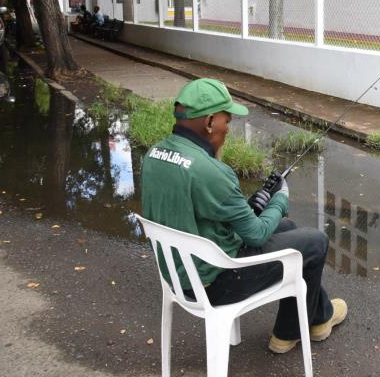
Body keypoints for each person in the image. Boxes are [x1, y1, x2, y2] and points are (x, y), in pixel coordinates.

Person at [140, 78, 346, 354]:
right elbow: (257, 234)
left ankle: (319, 318)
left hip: (180, 276)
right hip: (217, 283)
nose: (228, 129)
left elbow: (206, 213)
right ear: (210, 122)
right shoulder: (211, 172)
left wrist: (254, 206)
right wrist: (280, 199)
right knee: (315, 241)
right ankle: (288, 334)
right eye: (228, 120)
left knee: (288, 227)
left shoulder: (154, 155)